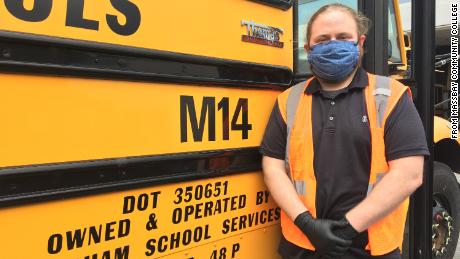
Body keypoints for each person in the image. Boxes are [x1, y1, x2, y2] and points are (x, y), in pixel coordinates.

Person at [260, 4, 430, 259]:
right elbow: (272, 168)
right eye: (323, 40)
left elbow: (409, 174)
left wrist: (349, 227)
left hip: (369, 249)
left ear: (360, 43)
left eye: (343, 38)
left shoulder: (390, 96)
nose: (333, 44)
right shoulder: (289, 101)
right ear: (309, 49)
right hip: (304, 245)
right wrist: (308, 224)